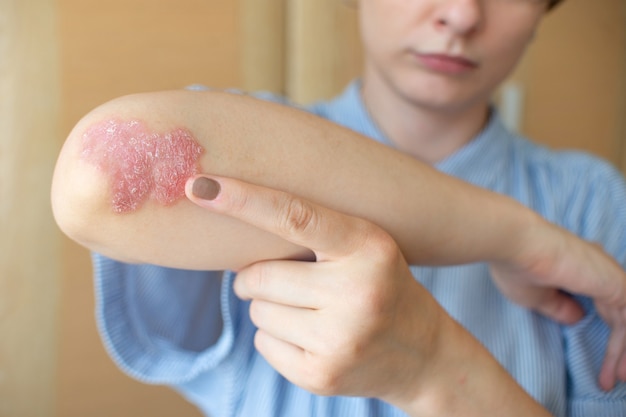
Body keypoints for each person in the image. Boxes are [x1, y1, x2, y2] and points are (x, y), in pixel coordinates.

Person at [50, 0, 626, 415]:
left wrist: (429, 365)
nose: (462, 13)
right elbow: (97, 177)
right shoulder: (237, 138)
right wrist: (518, 236)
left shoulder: (592, 201)